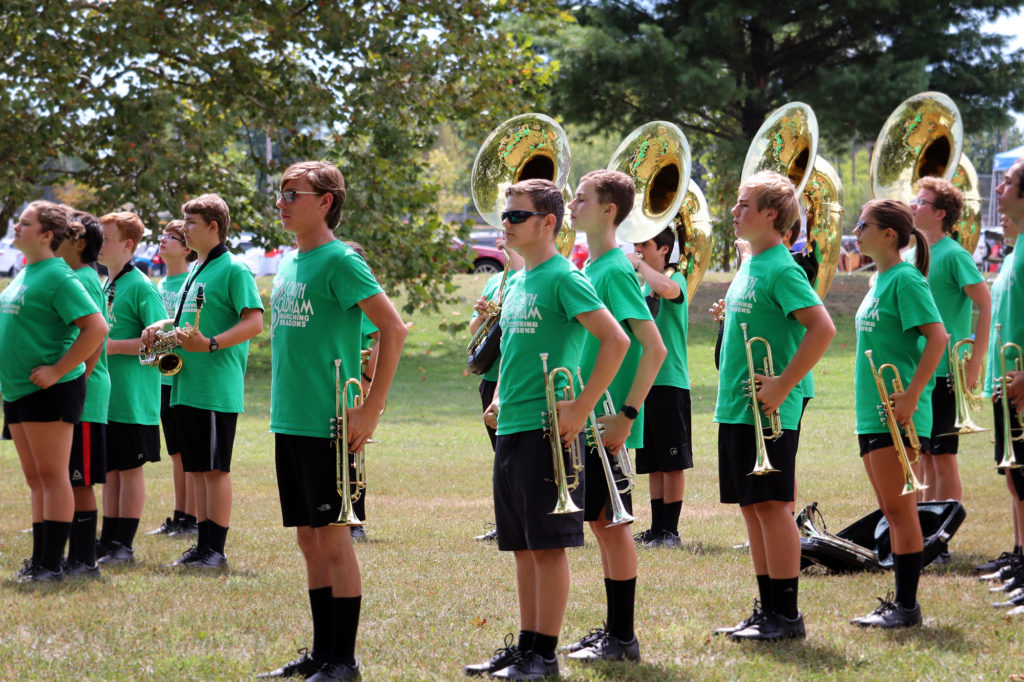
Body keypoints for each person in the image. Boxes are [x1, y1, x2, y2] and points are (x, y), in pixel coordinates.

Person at [466, 178, 628, 680]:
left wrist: (581, 405)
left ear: (548, 223)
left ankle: (544, 654)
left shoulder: (565, 277)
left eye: (516, 215)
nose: (506, 223)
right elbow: (511, 354)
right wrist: (496, 399)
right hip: (513, 425)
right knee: (521, 546)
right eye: (505, 215)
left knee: (547, 547)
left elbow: (615, 340)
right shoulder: (515, 281)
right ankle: (526, 646)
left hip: (548, 431)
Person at [257, 161, 407, 681]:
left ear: (325, 201)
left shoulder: (342, 261)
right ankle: (321, 654)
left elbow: (393, 329)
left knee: (335, 539)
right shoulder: (291, 263)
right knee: (308, 538)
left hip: (329, 424)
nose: (282, 201)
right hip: (291, 420)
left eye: (292, 193)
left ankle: (343, 661)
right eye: (280, 192)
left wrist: (371, 407)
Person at [712, 171, 835, 641]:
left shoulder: (782, 267)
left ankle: (786, 615)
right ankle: (767, 610)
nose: (734, 211)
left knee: (773, 508)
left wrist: (784, 384)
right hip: (741, 407)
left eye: (744, 205)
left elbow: (822, 328)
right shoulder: (753, 260)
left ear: (770, 215)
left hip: (771, 409)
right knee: (753, 507)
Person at [562, 169, 665, 663]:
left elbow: (653, 349)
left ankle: (622, 639)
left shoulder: (617, 270)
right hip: (587, 419)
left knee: (612, 525)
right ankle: (613, 632)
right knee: (602, 525)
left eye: (582, 198)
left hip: (605, 424)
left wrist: (627, 414)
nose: (571, 203)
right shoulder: (592, 265)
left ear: (608, 210)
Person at [142, 193, 264, 569]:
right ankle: (201, 544)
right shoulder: (196, 268)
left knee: (214, 471)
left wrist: (211, 344)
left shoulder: (234, 269)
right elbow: (185, 324)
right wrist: (159, 328)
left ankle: (215, 551)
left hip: (214, 387)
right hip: (185, 385)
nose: (185, 229)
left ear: (214, 227)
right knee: (196, 469)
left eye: (192, 223)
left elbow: (254, 321)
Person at [850, 199, 946, 627]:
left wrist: (911, 396)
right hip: (872, 414)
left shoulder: (906, 279)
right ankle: (900, 604)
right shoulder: (880, 278)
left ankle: (907, 607)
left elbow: (938, 338)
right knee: (892, 511)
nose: (856, 230)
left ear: (888, 234)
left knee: (902, 512)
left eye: (863, 224)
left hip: (899, 416)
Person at [1, 201, 107, 582]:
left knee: (53, 475)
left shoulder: (61, 277)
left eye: (24, 223)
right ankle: (40, 561)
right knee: (35, 478)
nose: (16, 227)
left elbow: (96, 328)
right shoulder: (26, 272)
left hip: (51, 390)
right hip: (17, 391)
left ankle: (51, 566)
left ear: (47, 235)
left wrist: (59, 369)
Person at [910, 177, 991, 523]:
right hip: (921, 369)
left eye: (921, 202)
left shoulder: (955, 255)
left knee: (943, 457)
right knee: (926, 455)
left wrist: (975, 361)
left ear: (941, 213)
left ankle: (942, 535)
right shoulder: (917, 252)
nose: (913, 206)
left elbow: (985, 304)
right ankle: (926, 530)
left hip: (946, 371)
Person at [96, 211, 166, 565]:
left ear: (128, 245)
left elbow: (163, 343)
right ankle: (107, 539)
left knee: (129, 470)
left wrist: (111, 346)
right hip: (108, 398)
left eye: (106, 238)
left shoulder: (140, 285)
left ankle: (124, 544)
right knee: (110, 473)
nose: (99, 244)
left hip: (134, 399)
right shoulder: (109, 283)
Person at [54, 210, 110, 577]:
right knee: (68, 476)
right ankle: (70, 554)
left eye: (63, 233)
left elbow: (96, 334)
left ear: (80, 244)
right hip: (77, 390)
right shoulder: (75, 276)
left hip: (85, 395)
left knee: (80, 478)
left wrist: (80, 381)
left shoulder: (84, 279)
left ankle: (84, 559)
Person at [977, 157, 1024, 589]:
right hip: (1005, 384)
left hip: (1022, 385)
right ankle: (1019, 556)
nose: (998, 188)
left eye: (1006, 182)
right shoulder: (1014, 250)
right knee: (1015, 478)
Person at [629, 226, 692, 548]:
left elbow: (667, 289)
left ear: (664, 249)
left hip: (670, 380)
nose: (638, 247)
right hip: (646, 379)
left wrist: (639, 265)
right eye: (637, 243)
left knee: (672, 460)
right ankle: (657, 528)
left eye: (645, 243)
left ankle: (672, 530)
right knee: (653, 462)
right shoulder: (644, 283)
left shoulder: (675, 278)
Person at [469, 237, 524, 542]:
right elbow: (475, 331)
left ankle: (520, 520)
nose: (502, 236)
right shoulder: (494, 280)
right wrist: (483, 315)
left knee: (516, 453)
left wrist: (500, 313)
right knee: (500, 453)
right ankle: (506, 522)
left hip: (514, 375)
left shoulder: (525, 278)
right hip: (491, 376)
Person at [147, 219, 199, 537]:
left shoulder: (190, 283)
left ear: (187, 247)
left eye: (172, 237)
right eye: (163, 235)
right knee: (175, 451)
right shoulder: (158, 286)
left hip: (184, 377)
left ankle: (190, 518)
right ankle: (180, 515)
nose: (163, 240)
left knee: (187, 450)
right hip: (161, 378)